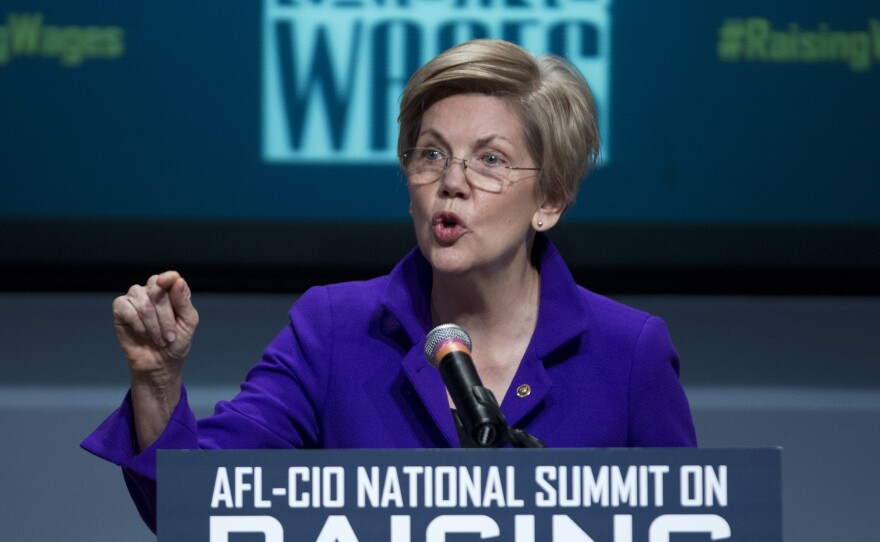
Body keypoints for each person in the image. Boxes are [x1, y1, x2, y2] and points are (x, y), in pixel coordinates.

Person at [82, 38, 696, 532]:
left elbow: (689, 521)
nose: (451, 182)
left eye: (490, 160)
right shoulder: (335, 329)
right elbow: (201, 509)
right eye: (430, 155)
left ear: (551, 199)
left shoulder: (628, 352)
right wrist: (159, 384)